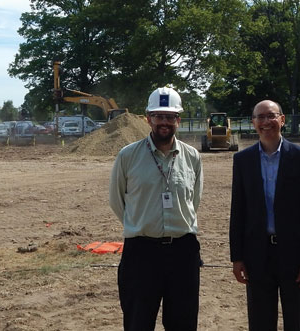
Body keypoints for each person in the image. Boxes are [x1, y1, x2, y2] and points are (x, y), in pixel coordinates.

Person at [109, 87, 203, 331]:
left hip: (183, 252)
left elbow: (194, 200)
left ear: (178, 120)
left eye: (170, 117)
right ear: (147, 118)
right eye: (159, 116)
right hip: (141, 253)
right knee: (138, 321)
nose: (164, 122)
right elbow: (117, 201)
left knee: (183, 323)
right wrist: (141, 224)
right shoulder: (127, 156)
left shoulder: (192, 156)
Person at [229, 100, 300, 331]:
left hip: (296, 256)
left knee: (298, 323)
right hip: (257, 257)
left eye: (271, 116)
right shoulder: (242, 161)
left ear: (282, 119)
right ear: (253, 123)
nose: (265, 122)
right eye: (259, 117)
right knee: (260, 323)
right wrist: (237, 257)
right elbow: (238, 211)